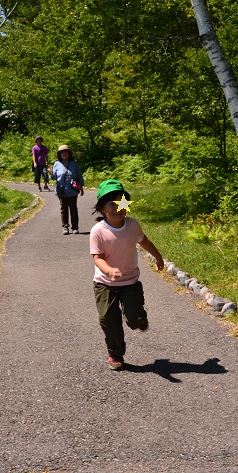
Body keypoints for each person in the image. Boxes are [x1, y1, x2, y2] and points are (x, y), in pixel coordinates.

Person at [90, 179, 164, 371]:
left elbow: (144, 241)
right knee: (107, 318)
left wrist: (158, 257)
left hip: (130, 280)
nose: (117, 208)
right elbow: (97, 258)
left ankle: (139, 318)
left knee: (134, 319)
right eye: (111, 204)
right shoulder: (98, 231)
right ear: (101, 208)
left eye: (121, 202)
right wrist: (109, 270)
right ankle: (115, 353)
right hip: (105, 283)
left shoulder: (132, 225)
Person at [52, 144, 84, 235]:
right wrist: (51, 174)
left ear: (69, 153)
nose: (64, 154)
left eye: (66, 152)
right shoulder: (56, 164)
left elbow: (79, 175)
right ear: (59, 154)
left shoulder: (74, 163)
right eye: (62, 152)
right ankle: (65, 227)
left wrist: (81, 187)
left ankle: (75, 227)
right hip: (61, 190)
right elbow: (54, 177)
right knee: (63, 209)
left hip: (72, 190)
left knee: (73, 208)